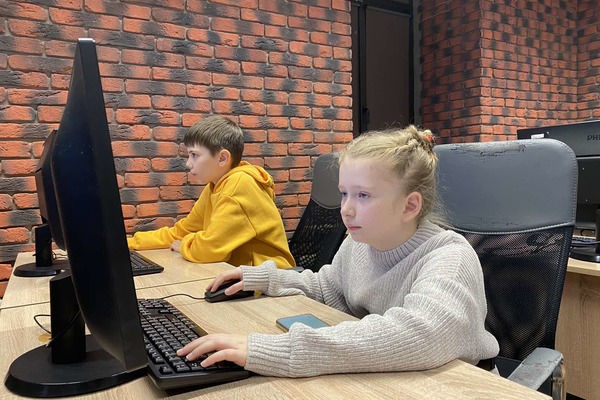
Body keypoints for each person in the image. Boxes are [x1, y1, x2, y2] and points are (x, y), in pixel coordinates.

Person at [177, 125, 499, 376]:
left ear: (409, 206)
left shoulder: (449, 258)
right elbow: (326, 288)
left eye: (363, 196)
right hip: (397, 378)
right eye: (344, 193)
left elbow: (420, 335)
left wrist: (280, 351)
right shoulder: (359, 243)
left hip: (459, 385)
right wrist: (263, 279)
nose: (346, 209)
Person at [127, 115, 295, 269]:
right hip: (234, 274)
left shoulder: (239, 185)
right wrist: (130, 243)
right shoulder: (214, 186)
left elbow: (210, 249)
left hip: (268, 282)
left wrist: (185, 244)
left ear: (222, 158)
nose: (188, 164)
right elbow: (182, 231)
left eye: (194, 155)